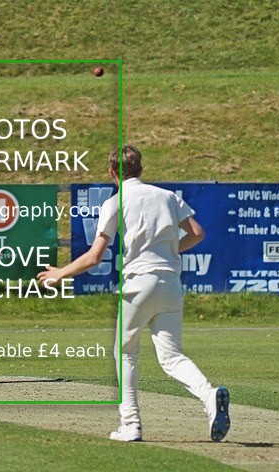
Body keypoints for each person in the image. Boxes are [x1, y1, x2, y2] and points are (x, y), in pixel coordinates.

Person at [37, 145, 230, 442]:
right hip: (170, 284)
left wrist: (60, 273)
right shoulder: (168, 197)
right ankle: (209, 395)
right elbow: (197, 233)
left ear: (112, 173)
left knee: (125, 352)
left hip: (139, 283)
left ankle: (131, 424)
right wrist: (168, 250)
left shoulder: (115, 202)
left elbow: (94, 257)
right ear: (141, 168)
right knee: (172, 356)